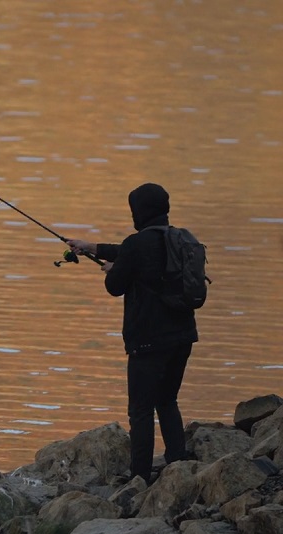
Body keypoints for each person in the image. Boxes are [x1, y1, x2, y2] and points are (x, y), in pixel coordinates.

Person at [66, 182, 198, 483]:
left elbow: (115, 286)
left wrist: (114, 270)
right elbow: (130, 252)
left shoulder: (136, 245)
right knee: (167, 400)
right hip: (183, 336)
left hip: (148, 341)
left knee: (140, 410)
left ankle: (139, 478)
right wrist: (91, 247)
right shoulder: (178, 237)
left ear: (139, 212)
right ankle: (178, 463)